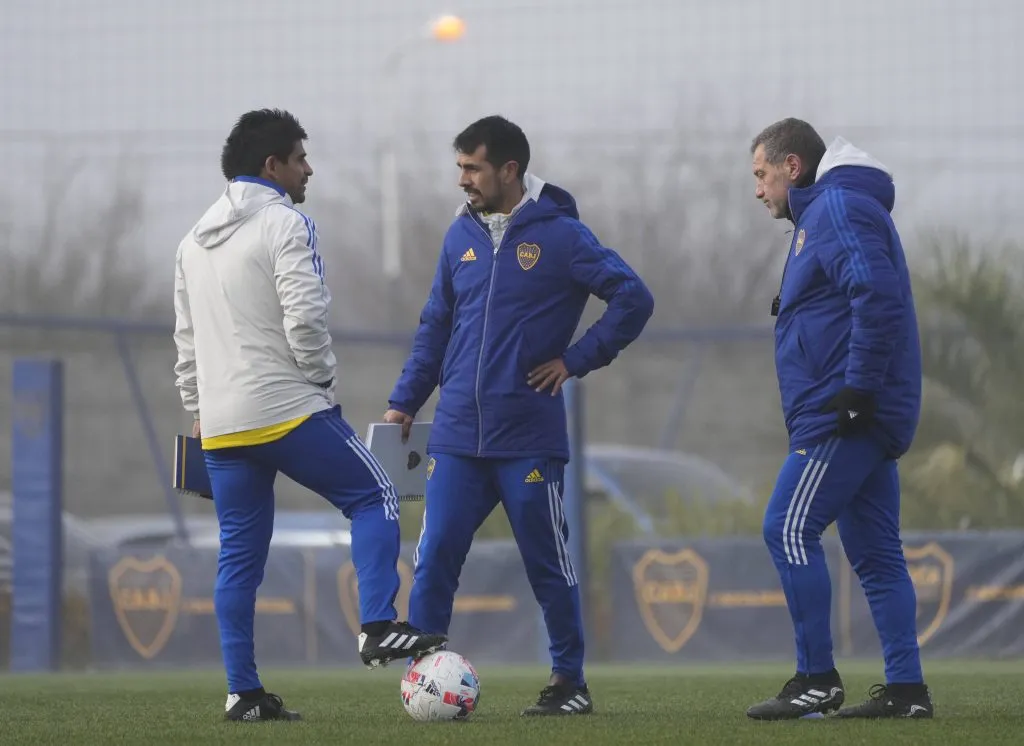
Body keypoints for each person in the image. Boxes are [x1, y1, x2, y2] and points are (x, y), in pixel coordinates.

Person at [173, 108, 446, 723]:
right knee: (375, 494)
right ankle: (377, 625)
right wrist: (320, 380)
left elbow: (186, 344)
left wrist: (198, 408)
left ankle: (242, 693)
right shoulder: (285, 222)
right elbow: (305, 317)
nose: (308, 168)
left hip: (221, 426)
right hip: (287, 408)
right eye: (300, 158)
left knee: (238, 557)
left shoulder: (190, 241)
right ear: (273, 166)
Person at [383, 115, 654, 716]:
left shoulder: (561, 235)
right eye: (459, 168)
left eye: (472, 168)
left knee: (547, 564)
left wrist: (577, 360)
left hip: (528, 436)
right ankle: (425, 682)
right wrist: (406, 398)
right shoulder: (459, 237)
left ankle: (568, 683)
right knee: (433, 560)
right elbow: (435, 326)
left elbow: (634, 298)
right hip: (456, 434)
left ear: (509, 170)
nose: (463, 180)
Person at [744, 117, 933, 720]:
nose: (758, 189)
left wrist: (857, 389)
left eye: (761, 174)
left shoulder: (836, 208)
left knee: (786, 528)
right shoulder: (824, 214)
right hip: (852, 411)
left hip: (845, 413)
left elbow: (872, 292)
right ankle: (906, 691)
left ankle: (816, 679)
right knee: (875, 552)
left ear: (791, 167)